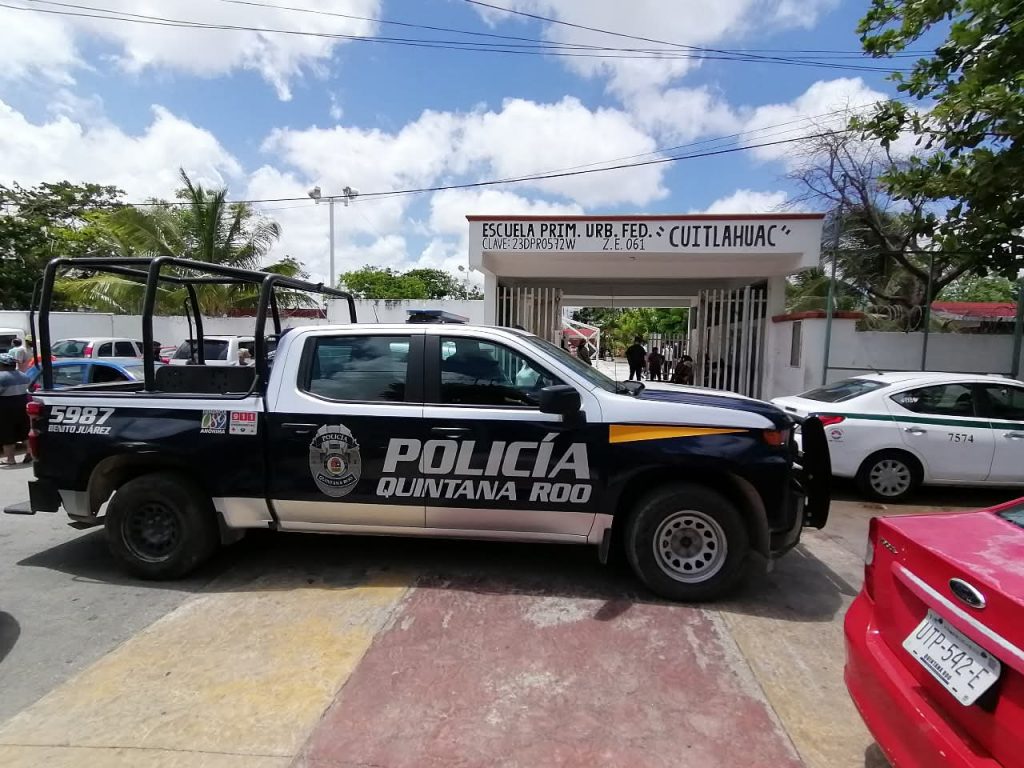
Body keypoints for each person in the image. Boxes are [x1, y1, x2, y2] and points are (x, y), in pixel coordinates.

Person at [0, 353, 30, 465]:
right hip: (23, 405)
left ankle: (10, 459)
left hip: (5, 408)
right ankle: (30, 453)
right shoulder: (24, 376)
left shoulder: (1, 377)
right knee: (25, 432)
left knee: (7, 434)